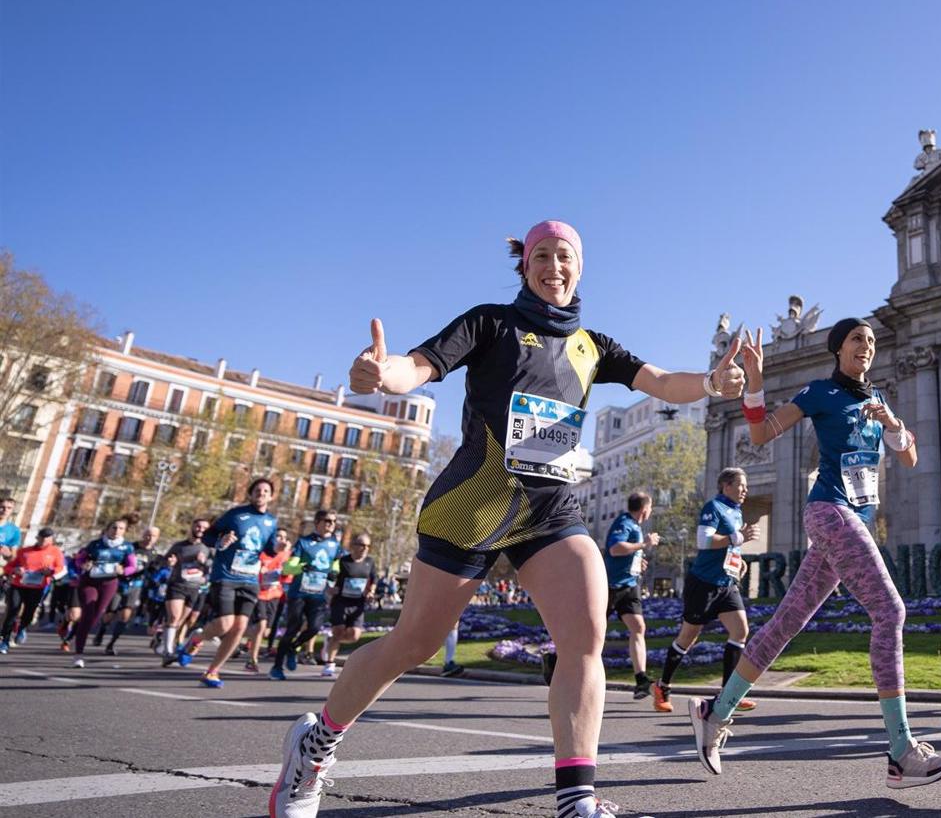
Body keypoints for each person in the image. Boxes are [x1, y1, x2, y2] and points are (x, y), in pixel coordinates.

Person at [268, 220, 745, 818]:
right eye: (540, 256)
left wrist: (713, 382)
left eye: (564, 256)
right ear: (525, 266)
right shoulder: (489, 323)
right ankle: (315, 747)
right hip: (473, 504)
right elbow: (416, 367)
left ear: (580, 267)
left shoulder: (593, 346)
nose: (553, 266)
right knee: (411, 644)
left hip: (550, 512)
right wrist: (379, 375)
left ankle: (576, 799)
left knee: (586, 637)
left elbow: (664, 381)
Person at [688, 321, 941, 790]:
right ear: (838, 349)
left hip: (852, 521)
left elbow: (910, 458)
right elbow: (760, 434)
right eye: (858, 340)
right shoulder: (820, 392)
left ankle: (715, 713)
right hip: (829, 512)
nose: (867, 347)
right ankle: (901, 752)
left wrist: (892, 424)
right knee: (890, 610)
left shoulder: (877, 401)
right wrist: (756, 380)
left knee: (783, 625)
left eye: (873, 341)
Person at [655, 470, 757, 714]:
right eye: (741, 485)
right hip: (703, 584)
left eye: (746, 486)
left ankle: (728, 695)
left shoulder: (735, 510)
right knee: (688, 637)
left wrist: (737, 560)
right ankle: (662, 686)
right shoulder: (714, 507)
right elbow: (704, 541)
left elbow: (731, 544)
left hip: (727, 584)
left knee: (741, 631)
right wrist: (737, 537)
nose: (745, 490)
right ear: (725, 485)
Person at [186, 478, 282, 688]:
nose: (262, 493)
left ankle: (212, 671)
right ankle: (197, 638)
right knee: (225, 624)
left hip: (250, 578)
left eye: (266, 491)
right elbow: (209, 536)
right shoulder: (235, 514)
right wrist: (220, 542)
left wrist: (277, 548)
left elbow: (267, 549)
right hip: (226, 575)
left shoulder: (271, 521)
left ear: (271, 496)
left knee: (239, 627)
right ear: (251, 493)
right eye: (258, 490)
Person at [271, 511, 344, 681]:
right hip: (299, 593)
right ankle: (277, 667)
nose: (331, 524)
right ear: (317, 522)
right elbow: (288, 568)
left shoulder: (335, 545)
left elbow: (336, 565)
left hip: (318, 595)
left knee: (315, 627)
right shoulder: (303, 542)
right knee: (292, 628)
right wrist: (302, 568)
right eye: (327, 521)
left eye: (334, 521)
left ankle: (294, 647)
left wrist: (334, 572)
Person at [602, 492, 659, 703]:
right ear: (644, 509)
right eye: (651, 507)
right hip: (609, 587)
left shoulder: (635, 526)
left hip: (629, 586)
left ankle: (641, 679)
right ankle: (555, 660)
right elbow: (616, 548)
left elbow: (627, 553)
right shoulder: (624, 522)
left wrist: (637, 562)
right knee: (591, 633)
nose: (651, 511)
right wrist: (644, 544)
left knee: (638, 627)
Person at [67, 516, 138, 668]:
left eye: (121, 528)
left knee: (97, 615)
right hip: (89, 582)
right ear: (107, 529)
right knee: (87, 613)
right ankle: (78, 655)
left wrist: (123, 570)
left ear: (124, 531)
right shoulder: (95, 544)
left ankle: (76, 634)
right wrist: (83, 565)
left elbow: (133, 566)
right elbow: (79, 560)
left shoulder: (127, 547)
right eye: (114, 527)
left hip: (109, 583)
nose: (117, 531)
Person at [95, 524, 161, 655]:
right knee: (110, 613)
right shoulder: (130, 547)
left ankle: (112, 643)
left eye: (153, 535)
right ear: (143, 534)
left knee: (125, 616)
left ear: (157, 538)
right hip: (120, 583)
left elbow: (154, 571)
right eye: (147, 534)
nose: (149, 538)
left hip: (136, 586)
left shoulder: (154, 554)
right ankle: (101, 631)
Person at [320, 533, 376, 677]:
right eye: (362, 545)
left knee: (354, 636)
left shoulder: (370, 562)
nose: (365, 548)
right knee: (338, 631)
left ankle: (330, 641)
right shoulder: (343, 561)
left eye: (368, 546)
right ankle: (329, 663)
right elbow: (330, 576)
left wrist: (371, 592)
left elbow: (373, 580)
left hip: (358, 603)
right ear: (354, 546)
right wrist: (331, 588)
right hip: (341, 601)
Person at [2, 527, 66, 653]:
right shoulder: (24, 551)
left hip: (38, 587)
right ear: (37, 538)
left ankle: (21, 628)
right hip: (18, 585)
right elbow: (9, 566)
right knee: (12, 611)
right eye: (41, 537)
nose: (44, 540)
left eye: (47, 538)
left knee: (29, 613)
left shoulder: (55, 552)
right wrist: (15, 570)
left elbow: (60, 568)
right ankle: (4, 641)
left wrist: (50, 572)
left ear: (51, 540)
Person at [159, 517, 212, 664]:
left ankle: (162, 642)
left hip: (194, 588)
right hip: (177, 585)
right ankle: (168, 652)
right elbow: (164, 560)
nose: (200, 530)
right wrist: (170, 562)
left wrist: (205, 562)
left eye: (204, 528)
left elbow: (213, 566)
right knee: (174, 618)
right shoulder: (179, 546)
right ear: (192, 527)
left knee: (180, 621)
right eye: (198, 526)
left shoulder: (209, 548)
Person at [244, 529, 292, 673]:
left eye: (284, 537)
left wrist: (285, 572)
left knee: (265, 632)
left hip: (275, 595)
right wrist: (262, 571)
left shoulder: (286, 556)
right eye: (278, 536)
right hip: (259, 593)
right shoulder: (262, 553)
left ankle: (234, 632)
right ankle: (252, 660)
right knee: (260, 626)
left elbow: (287, 577)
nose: (282, 540)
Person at [0, 497, 21, 563]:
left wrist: (8, 555)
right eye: (2, 507)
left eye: (9, 508)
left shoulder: (14, 530)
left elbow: (12, 557)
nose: (5, 510)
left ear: (12, 510)